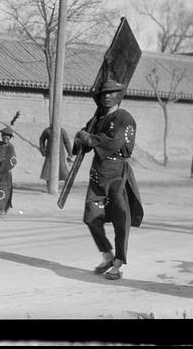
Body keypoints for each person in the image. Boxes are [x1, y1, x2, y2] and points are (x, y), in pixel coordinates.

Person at [74, 80, 144, 281]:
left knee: (121, 220)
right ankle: (107, 254)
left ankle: (118, 263)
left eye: (111, 93)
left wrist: (90, 138)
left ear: (119, 95)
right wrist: (80, 139)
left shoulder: (124, 118)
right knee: (91, 217)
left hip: (116, 174)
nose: (107, 96)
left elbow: (114, 142)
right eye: (103, 93)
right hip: (97, 175)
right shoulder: (97, 119)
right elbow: (85, 144)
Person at [38, 125, 73, 192]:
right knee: (47, 172)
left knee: (64, 171)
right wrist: (43, 151)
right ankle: (49, 188)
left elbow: (67, 142)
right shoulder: (47, 131)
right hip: (49, 155)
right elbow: (42, 139)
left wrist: (70, 154)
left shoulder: (62, 131)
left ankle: (67, 188)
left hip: (60, 155)